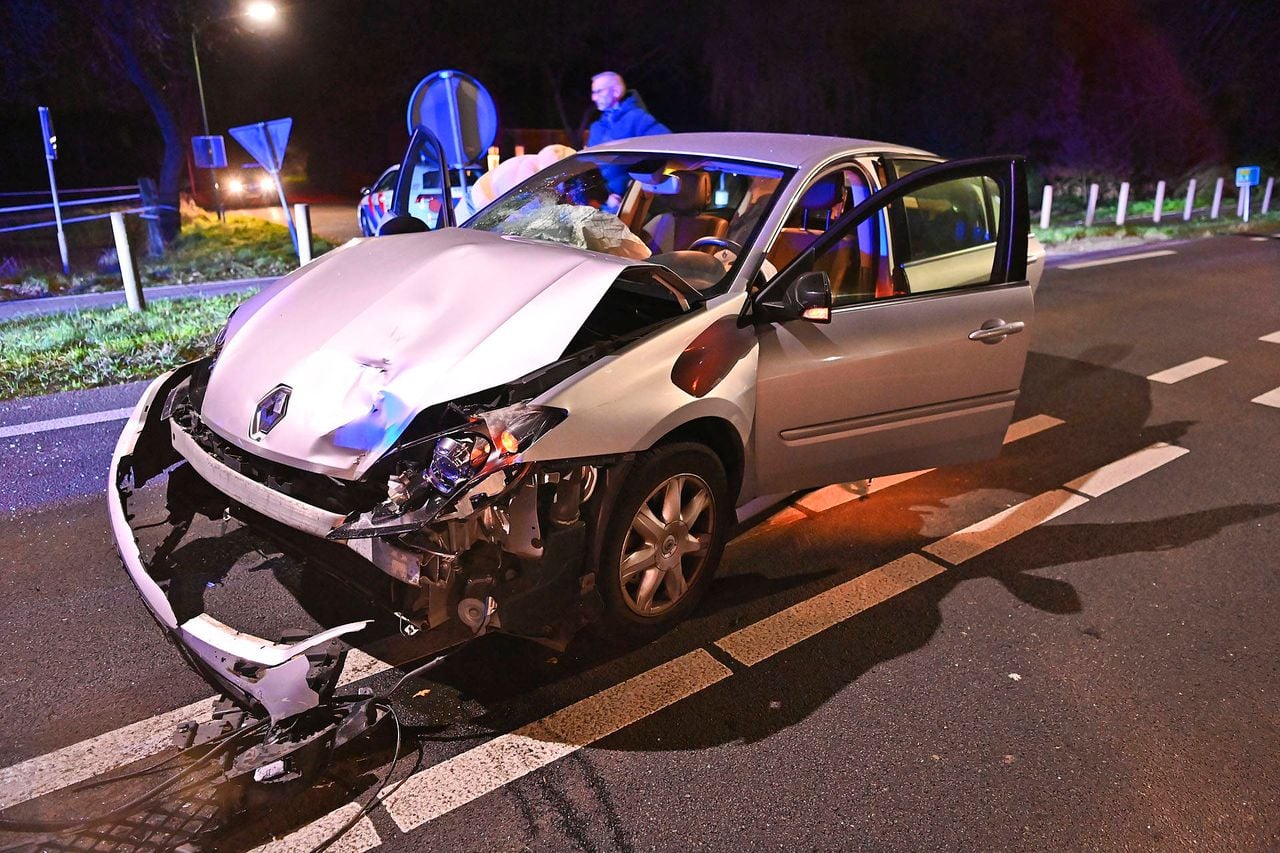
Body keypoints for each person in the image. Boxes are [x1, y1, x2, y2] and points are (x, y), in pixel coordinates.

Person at [587, 71, 669, 211]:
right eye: (593, 92)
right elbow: (589, 166)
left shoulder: (637, 119)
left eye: (599, 91)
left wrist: (634, 188)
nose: (594, 98)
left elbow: (667, 147)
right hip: (603, 205)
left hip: (630, 207)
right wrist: (604, 196)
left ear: (616, 91)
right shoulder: (597, 127)